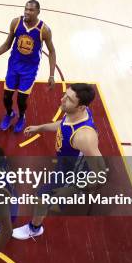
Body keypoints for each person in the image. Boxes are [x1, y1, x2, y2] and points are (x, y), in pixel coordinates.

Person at [12, 83, 105, 239]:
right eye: (64, 95)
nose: (62, 100)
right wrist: (40, 128)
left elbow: (100, 170)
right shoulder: (75, 112)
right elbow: (63, 125)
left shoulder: (84, 136)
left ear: (81, 107)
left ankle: (34, 228)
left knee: (41, 198)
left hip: (72, 174)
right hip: (65, 165)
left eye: (68, 99)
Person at [0, 0, 56, 133]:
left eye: (31, 10)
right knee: (6, 97)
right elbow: (7, 45)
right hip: (14, 66)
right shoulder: (16, 23)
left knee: (22, 99)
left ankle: (21, 116)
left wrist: (51, 75)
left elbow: (52, 51)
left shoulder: (44, 30)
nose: (27, 12)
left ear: (38, 12)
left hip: (29, 69)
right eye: (26, 9)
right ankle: (9, 113)